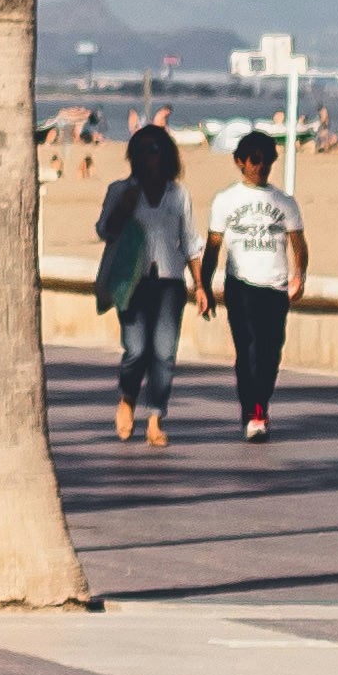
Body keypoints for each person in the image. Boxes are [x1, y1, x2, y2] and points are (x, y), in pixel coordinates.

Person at [204, 126, 308, 442]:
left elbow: (299, 243)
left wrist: (299, 275)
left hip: (275, 286)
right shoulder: (225, 200)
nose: (260, 166)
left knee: (270, 352)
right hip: (240, 284)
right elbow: (213, 245)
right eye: (254, 159)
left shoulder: (285, 202)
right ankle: (255, 411)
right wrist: (204, 285)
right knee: (247, 350)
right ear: (239, 161)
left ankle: (259, 403)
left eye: (266, 160)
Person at [98, 122, 188, 444]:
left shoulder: (178, 195)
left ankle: (154, 419)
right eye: (142, 150)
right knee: (136, 350)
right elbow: (104, 231)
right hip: (131, 282)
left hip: (169, 281)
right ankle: (127, 398)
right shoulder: (119, 190)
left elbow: (189, 240)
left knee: (164, 352)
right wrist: (124, 206)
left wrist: (202, 284)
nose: (150, 156)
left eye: (156, 149)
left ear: (166, 155)